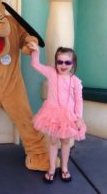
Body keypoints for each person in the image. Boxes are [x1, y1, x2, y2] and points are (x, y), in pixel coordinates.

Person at [28, 43, 86, 183]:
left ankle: (65, 167)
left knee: (66, 142)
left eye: (67, 62)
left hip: (68, 116)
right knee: (53, 142)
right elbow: (36, 65)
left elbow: (79, 100)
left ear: (73, 64)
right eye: (60, 62)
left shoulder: (75, 82)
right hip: (53, 115)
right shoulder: (51, 73)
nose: (63, 65)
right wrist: (36, 52)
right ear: (56, 63)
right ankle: (52, 168)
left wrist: (79, 117)